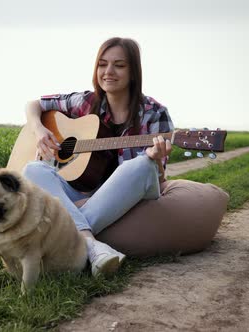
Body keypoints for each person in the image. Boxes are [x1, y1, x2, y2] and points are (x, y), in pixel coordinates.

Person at [22, 37, 174, 277]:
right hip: (84, 193)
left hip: (126, 190)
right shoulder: (86, 102)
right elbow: (34, 104)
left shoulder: (154, 113)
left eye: (119, 65)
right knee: (33, 169)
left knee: (143, 165)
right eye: (102, 64)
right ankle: (91, 246)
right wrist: (40, 130)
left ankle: (65, 239)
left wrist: (156, 159)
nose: (108, 72)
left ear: (134, 71)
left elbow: (158, 180)